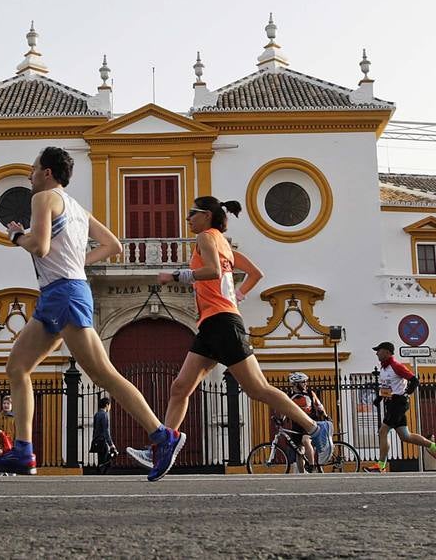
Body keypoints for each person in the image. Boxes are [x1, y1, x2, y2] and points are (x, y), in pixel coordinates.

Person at [0, 146, 183, 479]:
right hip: (61, 292)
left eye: (33, 170)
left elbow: (40, 246)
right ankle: (23, 450)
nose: (30, 175)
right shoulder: (78, 209)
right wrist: (79, 263)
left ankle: (162, 435)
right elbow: (113, 246)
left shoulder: (43, 198)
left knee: (103, 374)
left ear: (47, 173)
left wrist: (16, 235)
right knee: (17, 366)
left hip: (64, 293)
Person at [124, 196, 331, 474]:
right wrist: (237, 294)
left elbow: (210, 271)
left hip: (222, 322)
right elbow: (255, 273)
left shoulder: (207, 238)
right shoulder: (225, 244)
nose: (187, 219)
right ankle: (163, 446)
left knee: (257, 389)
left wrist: (175, 275)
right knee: (179, 388)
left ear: (207, 215)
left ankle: (315, 427)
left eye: (191, 213)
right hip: (211, 323)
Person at [363, 343, 436, 473]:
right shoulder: (384, 368)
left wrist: (407, 393)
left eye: (378, 351)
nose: (376, 353)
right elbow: (387, 386)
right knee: (405, 436)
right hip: (391, 403)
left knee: (383, 431)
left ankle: (381, 465)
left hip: (398, 403)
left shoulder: (396, 366)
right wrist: (379, 398)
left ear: (386, 352)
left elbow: (414, 380)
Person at [90, 397, 114, 469]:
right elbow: (106, 431)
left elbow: (95, 429)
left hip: (97, 441)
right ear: (107, 405)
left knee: (100, 461)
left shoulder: (96, 414)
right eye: (109, 405)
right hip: (103, 441)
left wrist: (94, 440)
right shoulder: (104, 415)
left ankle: (99, 474)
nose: (109, 408)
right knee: (105, 463)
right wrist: (111, 444)